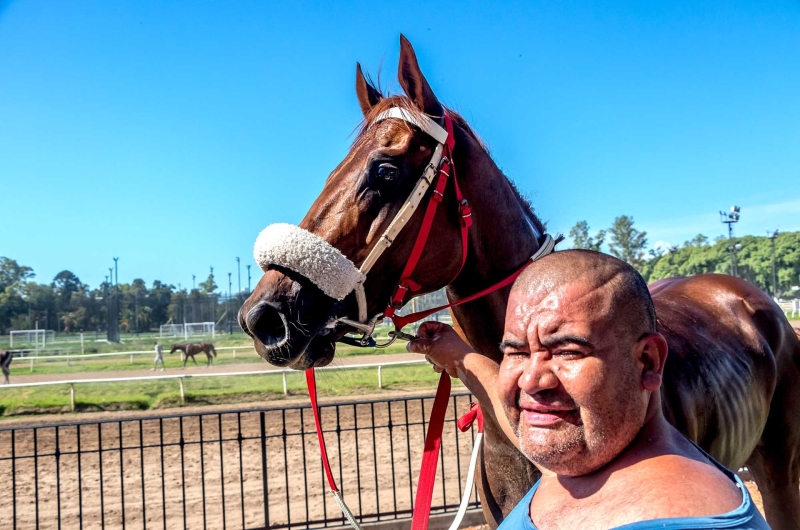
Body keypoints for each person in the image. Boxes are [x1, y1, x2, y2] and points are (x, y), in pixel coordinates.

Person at [407, 250, 768, 530]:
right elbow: (525, 424)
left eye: (568, 351)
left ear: (648, 361)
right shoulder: (578, 454)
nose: (532, 380)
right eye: (516, 351)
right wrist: (460, 358)